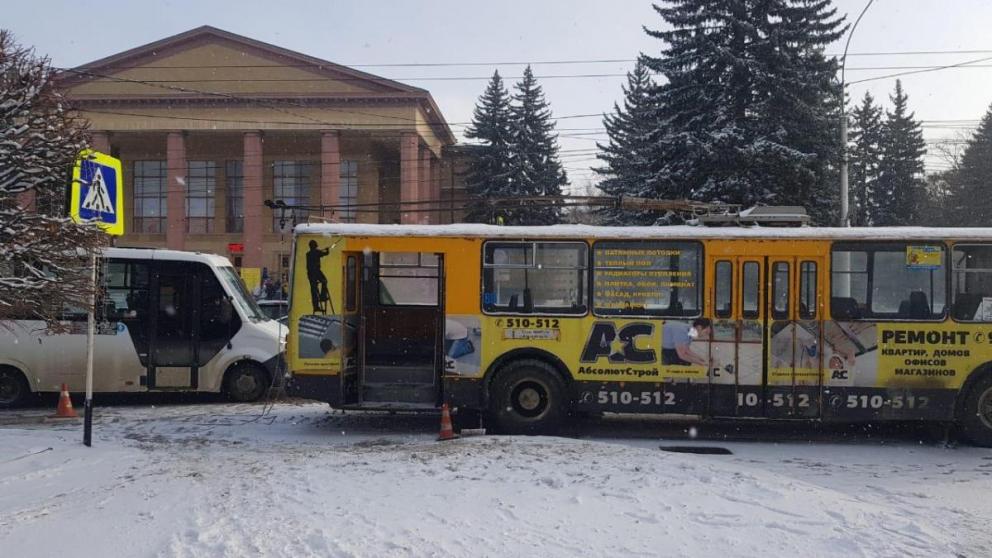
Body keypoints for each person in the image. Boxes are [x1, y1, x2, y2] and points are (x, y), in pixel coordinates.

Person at [306, 239, 330, 314]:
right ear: (315, 246)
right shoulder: (317, 252)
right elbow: (326, 253)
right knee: (324, 281)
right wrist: (327, 250)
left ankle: (316, 306)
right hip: (316, 271)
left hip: (310, 273)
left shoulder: (308, 254)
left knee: (314, 290)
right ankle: (323, 296)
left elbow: (320, 253)